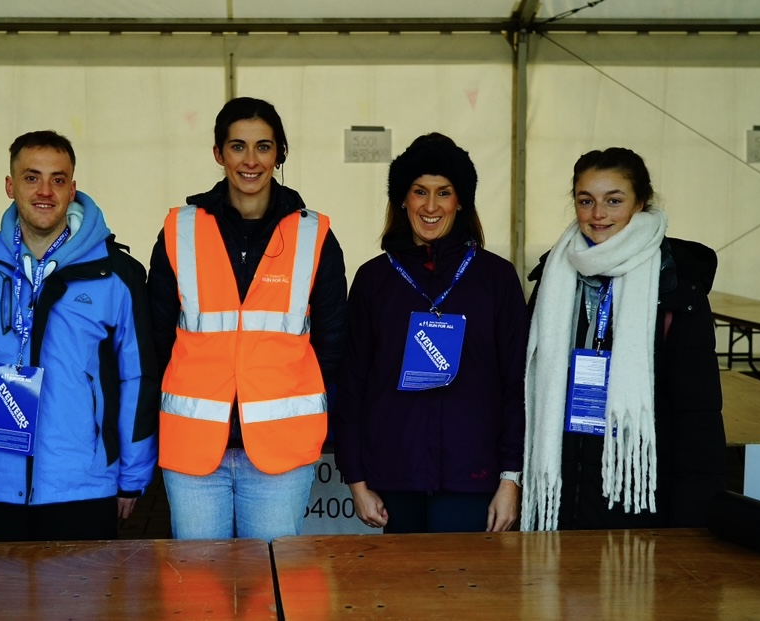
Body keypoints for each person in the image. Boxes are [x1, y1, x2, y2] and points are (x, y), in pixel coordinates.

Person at [147, 97, 347, 542]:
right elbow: (156, 336)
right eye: (238, 147)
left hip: (280, 452)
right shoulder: (180, 230)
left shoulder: (314, 235)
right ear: (219, 154)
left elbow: (333, 343)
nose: (251, 160)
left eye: (263, 146)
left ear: (280, 154)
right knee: (197, 595)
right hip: (195, 450)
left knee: (273, 590)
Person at [0, 130, 158, 542]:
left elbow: (138, 378)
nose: (45, 191)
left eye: (58, 179)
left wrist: (132, 475)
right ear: (10, 186)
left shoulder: (116, 274)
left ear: (73, 188)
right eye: (31, 177)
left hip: (82, 485)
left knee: (78, 606)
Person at [522, 147, 726, 531]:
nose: (598, 215)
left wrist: (693, 519)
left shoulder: (675, 285)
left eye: (613, 201)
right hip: (564, 488)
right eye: (587, 201)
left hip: (638, 486)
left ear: (640, 203)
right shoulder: (553, 276)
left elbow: (698, 414)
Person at [332, 133, 527, 534]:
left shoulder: (496, 278)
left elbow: (518, 385)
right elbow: (352, 383)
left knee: (466, 595)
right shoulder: (374, 279)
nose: (431, 206)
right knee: (400, 595)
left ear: (461, 201)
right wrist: (356, 479)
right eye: (420, 191)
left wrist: (512, 478)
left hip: (473, 479)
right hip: (394, 478)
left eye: (445, 192)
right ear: (403, 199)